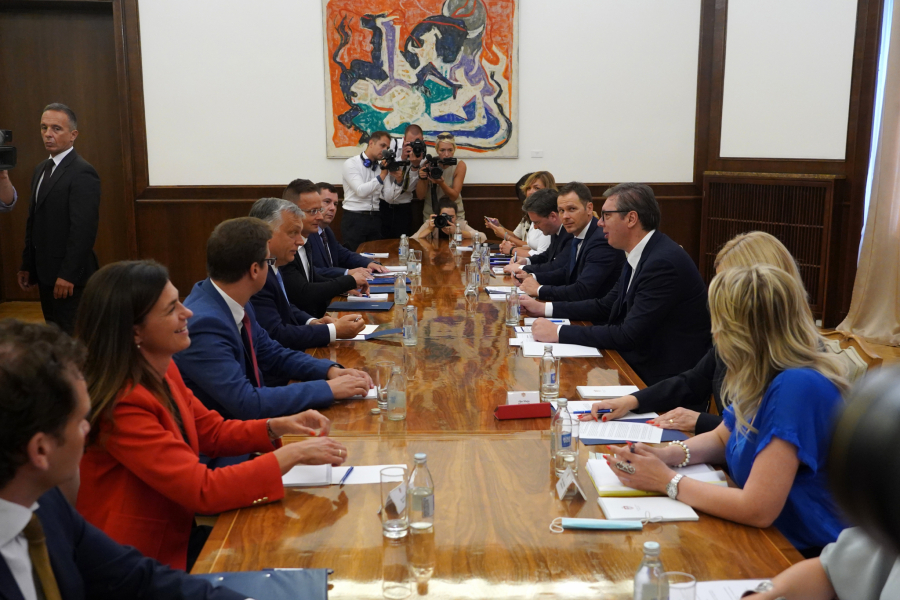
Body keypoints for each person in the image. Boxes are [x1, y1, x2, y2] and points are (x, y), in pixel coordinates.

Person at [75, 260, 349, 571]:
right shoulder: (123, 403)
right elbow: (203, 490)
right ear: (134, 331)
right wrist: (292, 454)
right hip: (134, 560)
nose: (187, 313)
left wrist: (277, 426)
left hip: (174, 536)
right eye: (171, 309)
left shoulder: (161, 369)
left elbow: (212, 432)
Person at [605, 264, 848, 557]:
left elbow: (758, 508)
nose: (715, 334)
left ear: (745, 332)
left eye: (720, 323)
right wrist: (666, 455)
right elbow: (723, 438)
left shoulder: (797, 386)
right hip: (765, 539)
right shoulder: (764, 374)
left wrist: (665, 481)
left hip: (800, 553)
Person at [0, 319, 247, 599]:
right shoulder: (45, 503)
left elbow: (136, 576)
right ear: (40, 451)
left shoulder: (45, 503)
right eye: (81, 421)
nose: (89, 430)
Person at [588, 231, 805, 434]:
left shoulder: (797, 364)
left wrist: (701, 421)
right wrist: (630, 401)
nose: (720, 297)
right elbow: (691, 381)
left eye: (727, 286)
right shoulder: (738, 336)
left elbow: (768, 432)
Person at [173, 217, 373, 421]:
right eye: (269, 262)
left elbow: (271, 352)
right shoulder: (204, 325)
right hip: (228, 434)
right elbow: (246, 403)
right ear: (255, 270)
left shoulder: (235, 299)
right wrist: (327, 389)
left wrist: (328, 370)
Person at [525, 182, 711, 386]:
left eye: (606, 215)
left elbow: (628, 335)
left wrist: (559, 332)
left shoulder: (662, 263)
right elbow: (605, 305)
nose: (599, 223)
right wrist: (544, 309)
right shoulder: (642, 252)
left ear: (631, 218)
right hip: (637, 364)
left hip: (662, 380)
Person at [739, 368, 900, 600]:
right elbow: (828, 571)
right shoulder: (888, 531)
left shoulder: (796, 385)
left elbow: (758, 508)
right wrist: (762, 594)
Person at [18, 103, 100, 335]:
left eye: (56, 128)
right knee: (54, 337)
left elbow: (83, 230)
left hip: (70, 278)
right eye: (44, 127)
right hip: (45, 273)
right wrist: (27, 264)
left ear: (73, 135)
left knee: (73, 340)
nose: (48, 134)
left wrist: (68, 274)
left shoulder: (82, 171)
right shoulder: (40, 169)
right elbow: (34, 221)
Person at [248, 198, 365, 350]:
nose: (300, 241)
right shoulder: (255, 275)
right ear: (266, 234)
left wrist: (312, 322)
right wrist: (332, 331)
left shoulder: (273, 264)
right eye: (293, 233)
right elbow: (276, 335)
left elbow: (285, 307)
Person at [514, 182, 625, 303]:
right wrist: (531, 277)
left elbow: (582, 291)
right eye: (561, 210)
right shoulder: (578, 234)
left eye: (572, 209)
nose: (565, 216)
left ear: (589, 208)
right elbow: (566, 272)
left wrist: (539, 290)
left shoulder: (600, 240)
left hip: (593, 312)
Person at [280, 184, 370, 318]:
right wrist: (347, 281)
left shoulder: (307, 241)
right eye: (313, 211)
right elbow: (303, 292)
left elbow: (313, 278)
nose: (320, 217)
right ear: (291, 212)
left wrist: (345, 286)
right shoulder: (284, 250)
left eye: (319, 210)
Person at [291, 179, 388, 278]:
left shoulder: (326, 230)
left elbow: (343, 254)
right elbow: (310, 271)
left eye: (335, 204)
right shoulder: (306, 233)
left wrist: (369, 263)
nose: (332, 208)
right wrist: (347, 272)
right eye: (327, 202)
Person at [502, 189, 573, 276]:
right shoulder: (555, 230)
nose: (535, 227)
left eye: (537, 222)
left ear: (553, 216)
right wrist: (526, 261)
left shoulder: (570, 234)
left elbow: (556, 266)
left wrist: (521, 268)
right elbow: (547, 256)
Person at [341, 130, 391, 250]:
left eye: (387, 148)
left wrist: (398, 181)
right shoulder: (351, 163)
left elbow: (388, 197)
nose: (385, 150)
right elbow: (360, 191)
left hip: (376, 218)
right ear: (371, 143)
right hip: (354, 217)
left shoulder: (382, 167)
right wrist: (382, 176)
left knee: (375, 257)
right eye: (382, 145)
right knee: (354, 256)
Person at [486, 171, 556, 256]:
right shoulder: (532, 214)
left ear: (548, 190)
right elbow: (531, 247)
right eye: (528, 188)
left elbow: (542, 254)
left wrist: (509, 244)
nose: (530, 192)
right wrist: (509, 247)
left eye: (536, 188)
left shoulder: (547, 217)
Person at [380, 125, 425, 238]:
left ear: (422, 140)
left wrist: (415, 166)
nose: (414, 146)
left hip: (404, 206)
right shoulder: (392, 145)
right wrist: (402, 158)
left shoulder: (422, 155)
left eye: (417, 142)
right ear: (404, 139)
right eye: (410, 142)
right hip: (384, 204)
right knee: (382, 243)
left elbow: (409, 188)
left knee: (403, 243)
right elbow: (384, 171)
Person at [417, 132, 467, 221]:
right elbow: (420, 196)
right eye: (442, 150)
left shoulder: (459, 165)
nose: (446, 154)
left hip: (453, 213)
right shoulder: (429, 164)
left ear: (454, 149)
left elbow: (454, 196)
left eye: (450, 150)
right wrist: (422, 178)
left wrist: (441, 183)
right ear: (437, 150)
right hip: (432, 213)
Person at [411, 199, 483, 242]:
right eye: (444, 216)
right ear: (437, 215)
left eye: (451, 217)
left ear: (456, 216)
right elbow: (411, 240)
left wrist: (458, 231)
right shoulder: (431, 224)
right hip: (435, 256)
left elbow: (482, 236)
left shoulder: (460, 224)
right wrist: (428, 230)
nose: (447, 219)